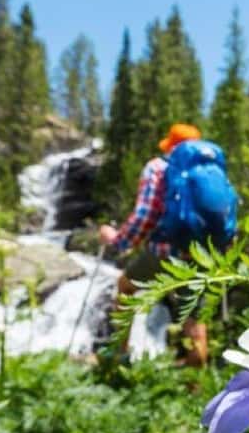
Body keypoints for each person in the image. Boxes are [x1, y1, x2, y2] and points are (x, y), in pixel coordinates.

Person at [99, 123, 236, 366]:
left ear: (170, 145)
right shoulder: (212, 170)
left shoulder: (158, 167)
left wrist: (119, 241)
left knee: (125, 286)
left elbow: (145, 214)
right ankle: (197, 385)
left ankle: (118, 358)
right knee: (193, 316)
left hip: (166, 252)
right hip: (203, 254)